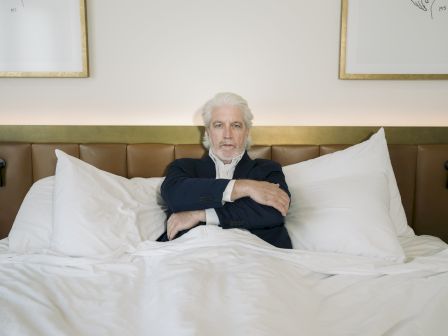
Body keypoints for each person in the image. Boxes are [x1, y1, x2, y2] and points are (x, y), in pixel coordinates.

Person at [157, 92, 292, 248]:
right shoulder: (184, 168)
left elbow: (276, 211)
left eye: (236, 125)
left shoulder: (268, 169)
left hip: (256, 256)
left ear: (247, 131)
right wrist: (245, 187)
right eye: (219, 125)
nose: (227, 135)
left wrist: (200, 215)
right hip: (192, 254)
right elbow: (174, 196)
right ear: (207, 131)